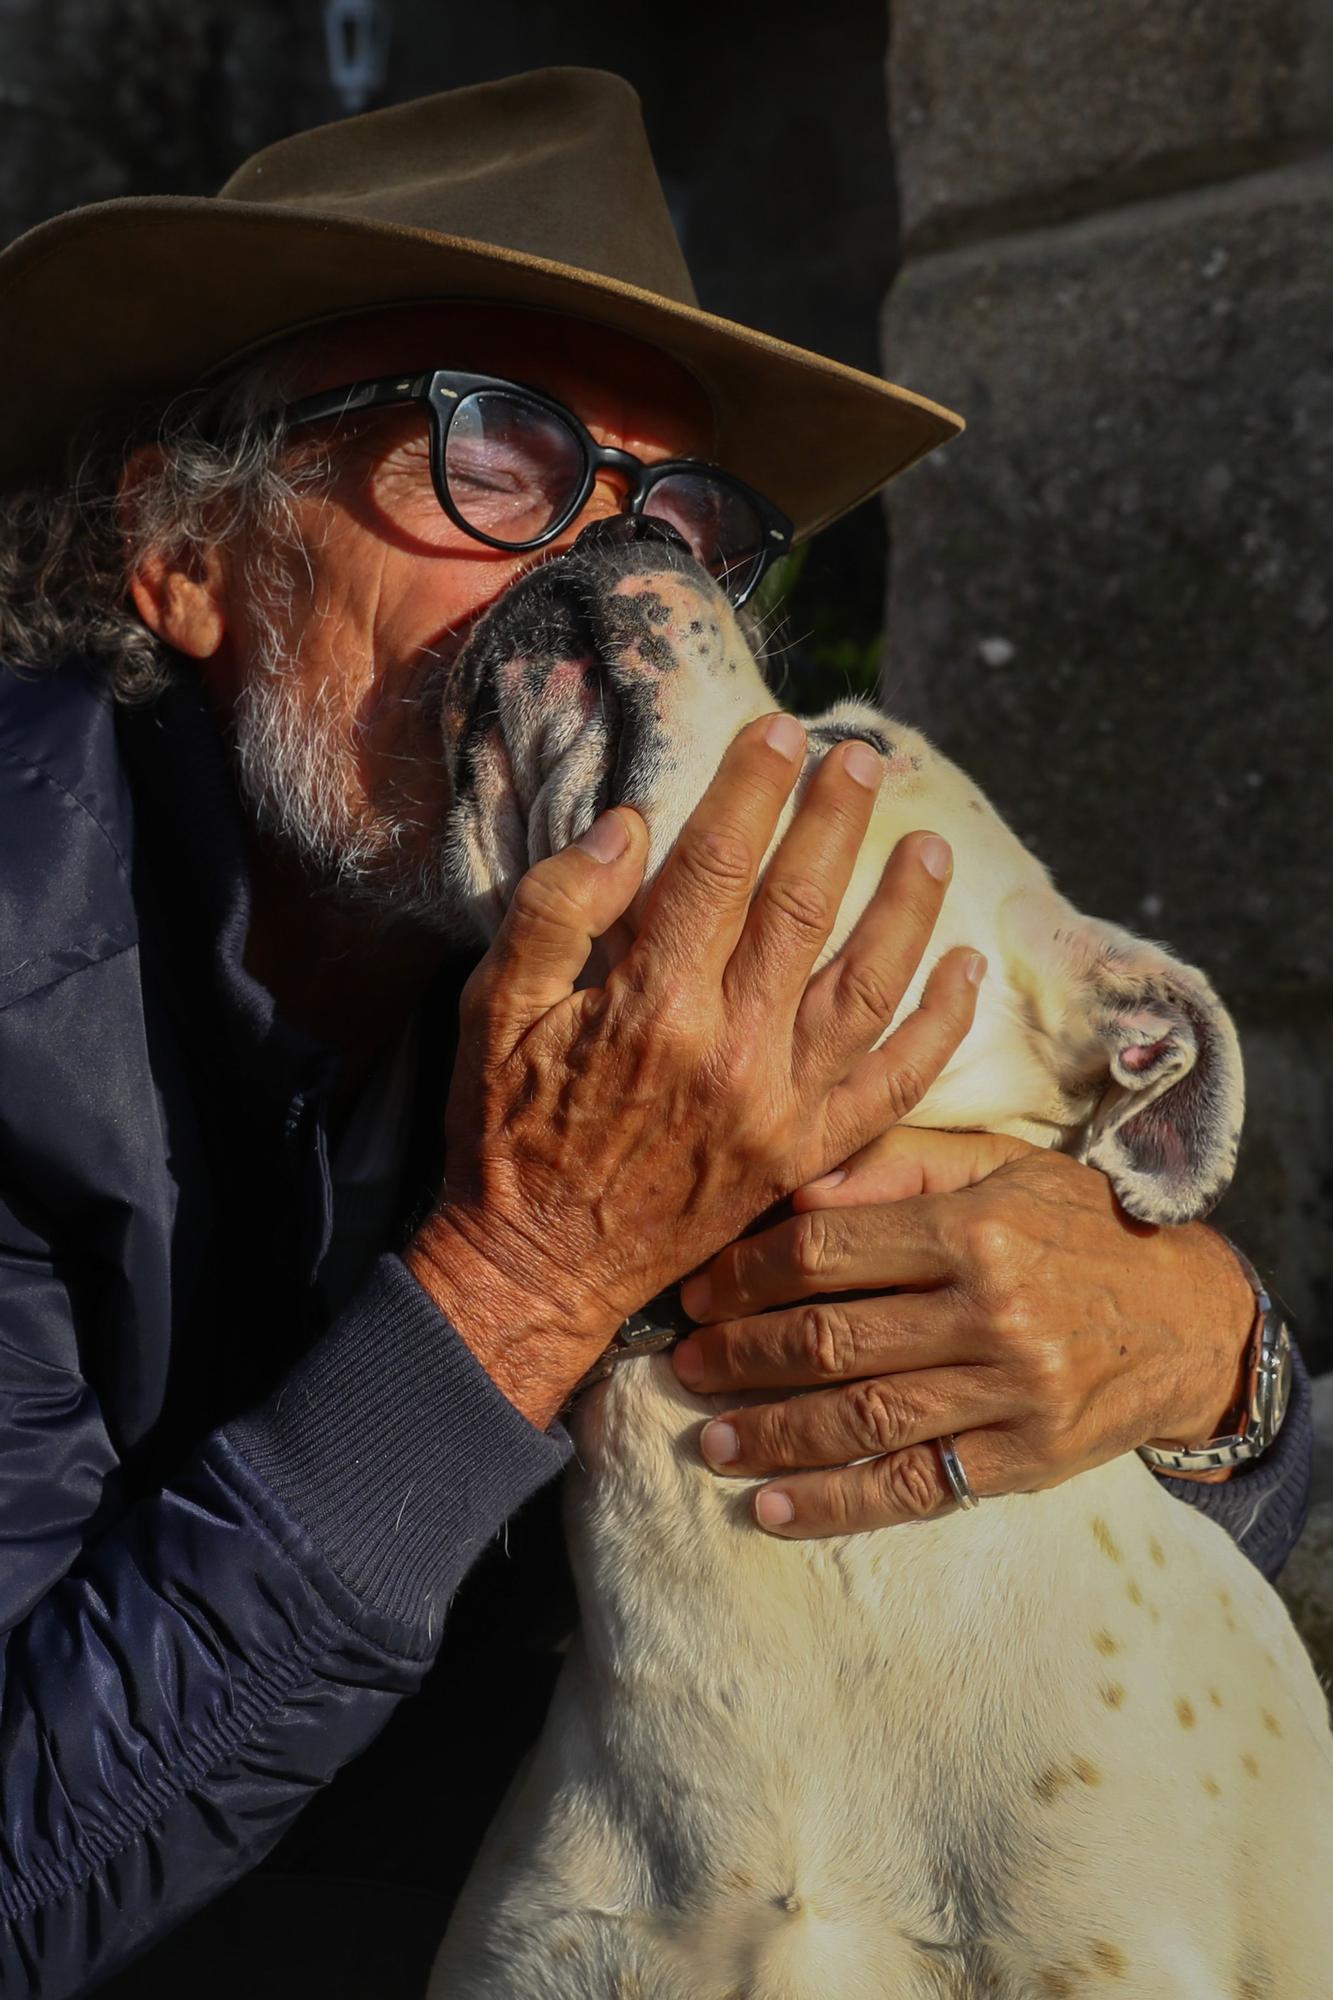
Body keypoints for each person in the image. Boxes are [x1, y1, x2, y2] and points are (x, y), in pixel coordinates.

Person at [0, 67, 1310, 1999]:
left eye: (677, 510)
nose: (604, 561)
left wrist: (1200, 1359)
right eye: (493, 451)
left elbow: (1149, 1547)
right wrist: (523, 1279)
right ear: (184, 556)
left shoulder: (635, 935)